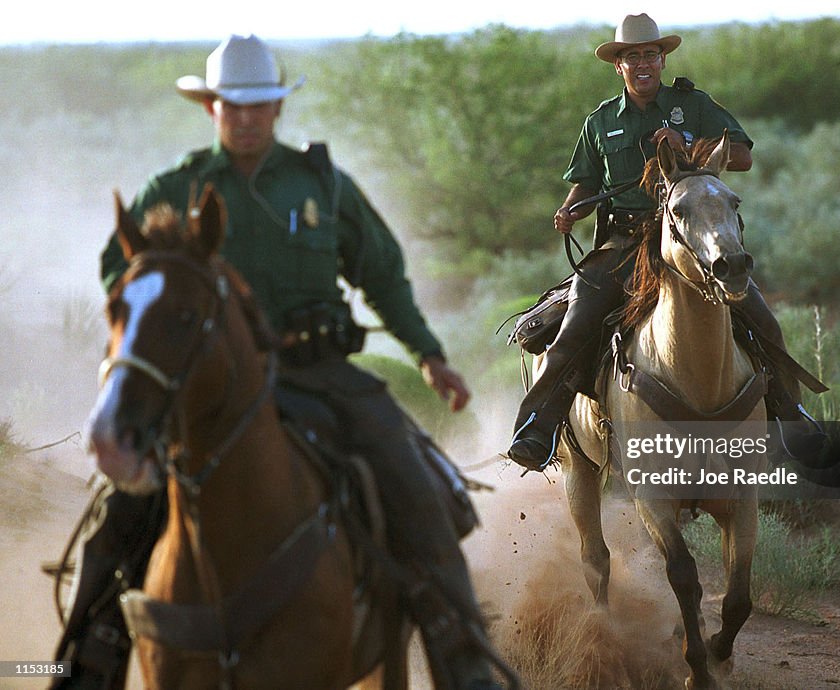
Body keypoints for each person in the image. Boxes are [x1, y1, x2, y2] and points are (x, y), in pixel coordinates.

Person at [53, 34, 511, 690]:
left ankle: (462, 654)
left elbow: (382, 273)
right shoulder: (177, 186)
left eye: (258, 105)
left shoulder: (321, 183)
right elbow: (122, 274)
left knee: (414, 483)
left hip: (318, 374)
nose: (244, 118)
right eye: (231, 106)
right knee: (116, 519)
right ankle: (86, 659)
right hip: (206, 385)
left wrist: (430, 355)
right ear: (210, 107)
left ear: (277, 107)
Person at [507, 13, 822, 472]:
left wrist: (687, 139)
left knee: (761, 319)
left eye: (650, 54)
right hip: (624, 244)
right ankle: (537, 426)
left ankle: (790, 419)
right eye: (631, 56)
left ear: (662, 58)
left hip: (689, 239)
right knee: (575, 325)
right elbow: (585, 183)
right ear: (618, 65)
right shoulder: (600, 122)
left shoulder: (693, 106)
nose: (642, 64)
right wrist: (571, 208)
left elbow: (744, 157)